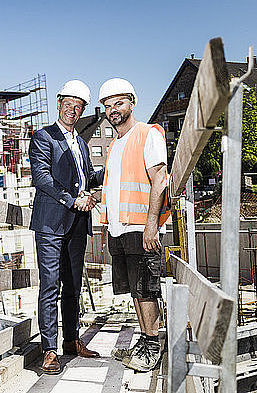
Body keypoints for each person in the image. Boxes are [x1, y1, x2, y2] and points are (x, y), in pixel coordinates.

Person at [29, 80, 104, 374]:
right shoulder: (43, 137)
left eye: (79, 106)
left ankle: (71, 341)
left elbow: (85, 178)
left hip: (77, 223)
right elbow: (42, 178)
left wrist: (110, 170)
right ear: (59, 102)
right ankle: (49, 349)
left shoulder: (82, 144)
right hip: (51, 223)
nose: (73, 110)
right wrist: (72, 200)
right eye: (68, 104)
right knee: (50, 285)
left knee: (73, 284)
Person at [97, 78, 170, 372]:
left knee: (147, 289)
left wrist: (152, 225)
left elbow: (160, 179)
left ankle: (154, 346)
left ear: (132, 102)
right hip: (119, 229)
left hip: (142, 228)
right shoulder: (114, 145)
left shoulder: (147, 133)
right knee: (135, 290)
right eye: (107, 105)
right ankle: (144, 340)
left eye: (118, 103)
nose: (113, 109)